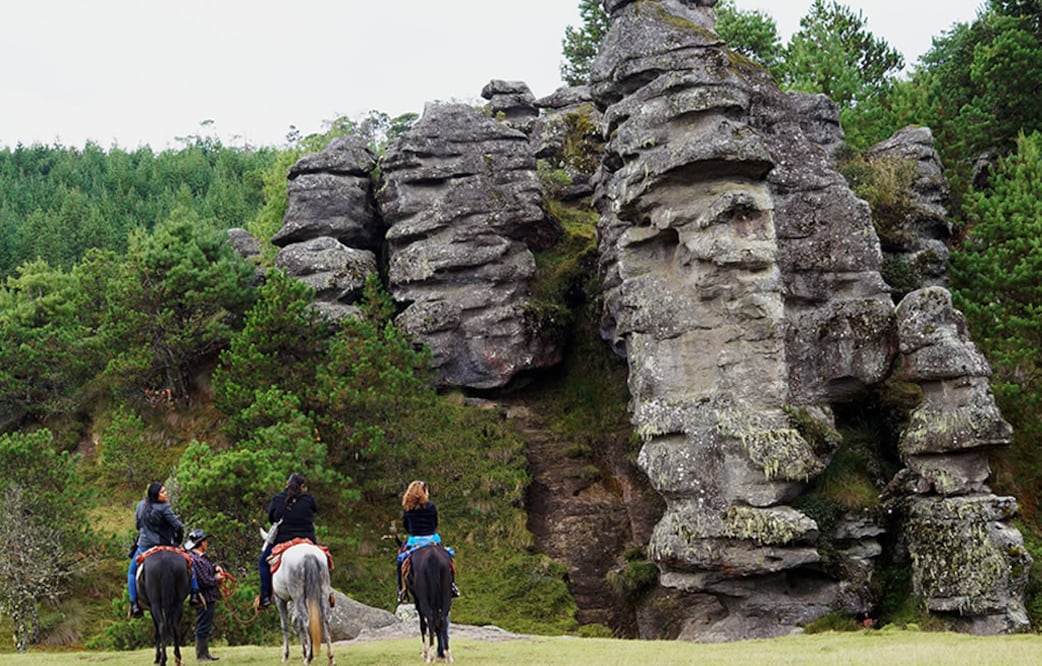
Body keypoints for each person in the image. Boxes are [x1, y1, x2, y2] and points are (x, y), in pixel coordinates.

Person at [128, 482, 202, 618]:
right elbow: (178, 526)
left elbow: (138, 525)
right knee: (189, 563)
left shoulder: (140, 506)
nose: (166, 493)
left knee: (132, 572)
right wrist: (178, 541)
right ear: (156, 495)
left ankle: (134, 604)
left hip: (144, 546)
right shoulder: (164, 508)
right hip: (165, 544)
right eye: (162, 492)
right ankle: (195, 593)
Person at [257, 472, 318, 608]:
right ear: (302, 486)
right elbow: (315, 510)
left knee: (263, 562)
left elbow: (272, 518)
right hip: (307, 539)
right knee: (323, 559)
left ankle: (265, 596)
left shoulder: (277, 499)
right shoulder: (308, 499)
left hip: (283, 540)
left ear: (287, 484)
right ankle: (327, 591)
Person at [396, 480, 459, 603]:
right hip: (432, 538)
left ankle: (401, 590)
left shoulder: (408, 508)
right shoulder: (431, 506)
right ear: (423, 492)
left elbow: (406, 526)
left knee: (400, 562)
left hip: (415, 540)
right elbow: (435, 523)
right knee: (447, 557)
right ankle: (452, 584)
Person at [184, 529, 225, 662]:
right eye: (205, 541)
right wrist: (217, 579)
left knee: (205, 625)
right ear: (201, 543)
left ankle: (205, 654)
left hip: (208, 597)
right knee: (203, 626)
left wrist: (215, 567)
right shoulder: (196, 560)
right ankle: (201, 655)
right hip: (205, 598)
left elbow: (208, 567)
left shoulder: (199, 558)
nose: (206, 543)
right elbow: (204, 581)